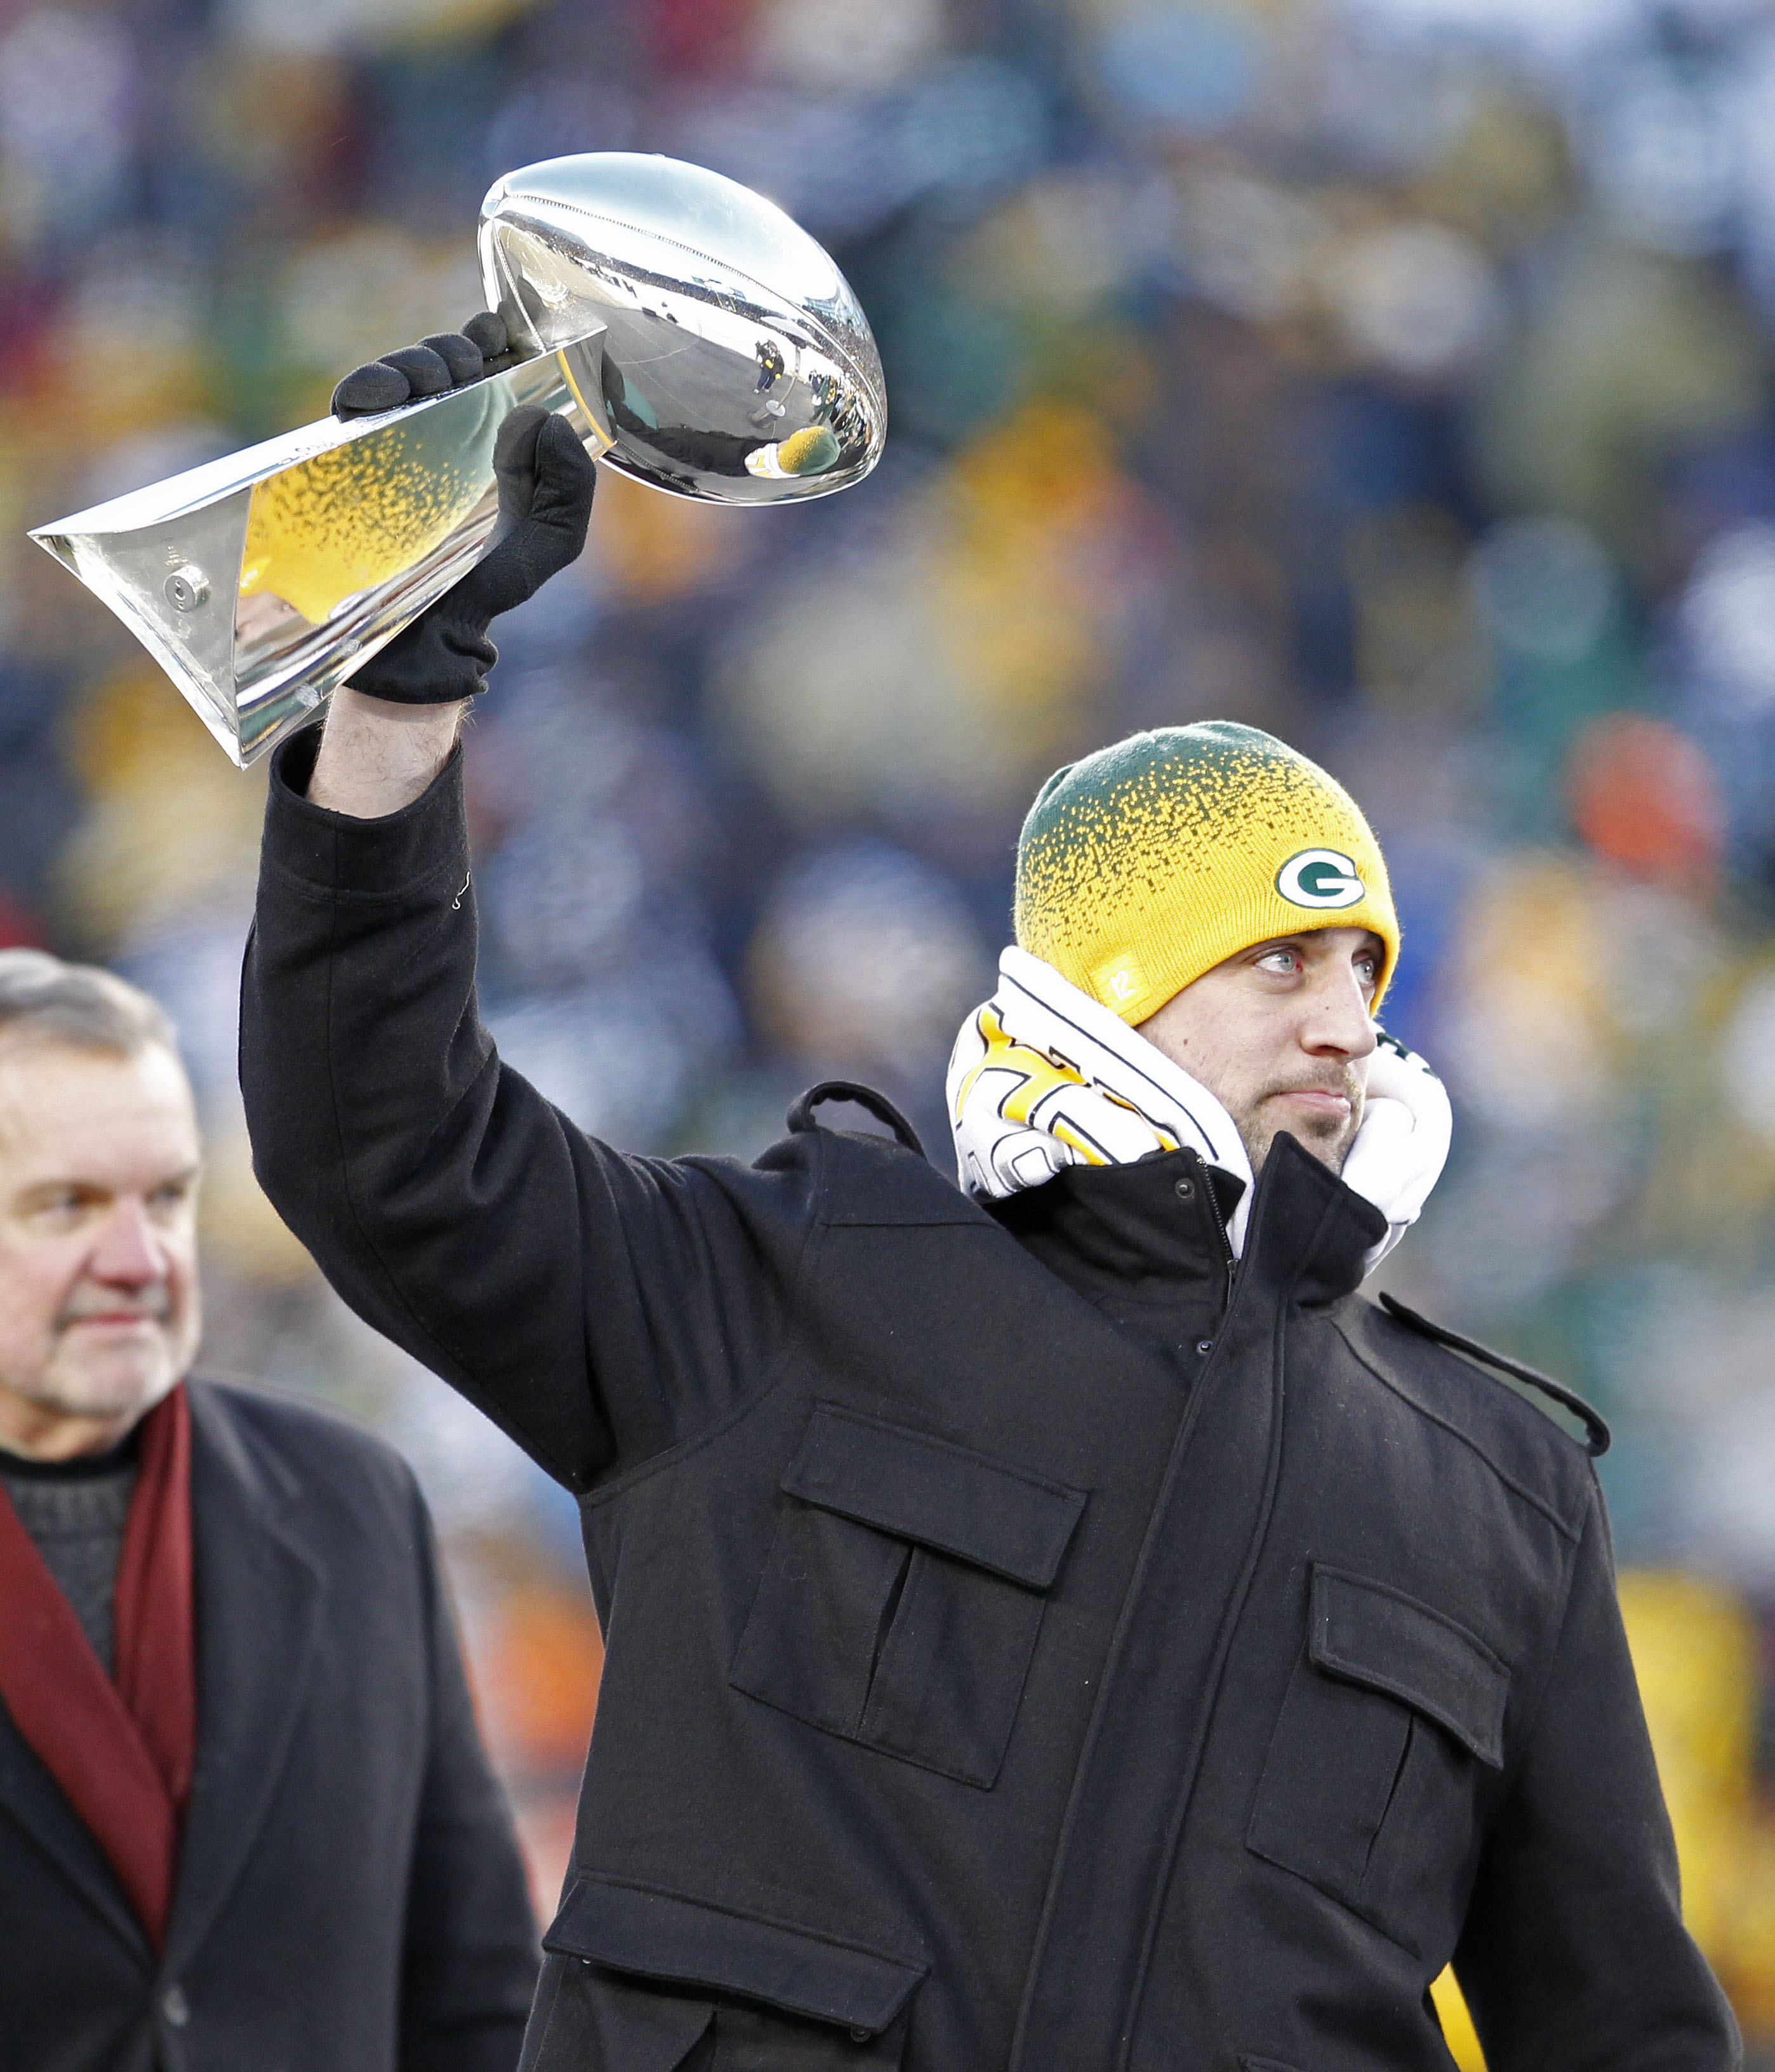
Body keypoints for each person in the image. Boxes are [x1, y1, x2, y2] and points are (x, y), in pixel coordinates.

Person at [241, 342, 1738, 2071]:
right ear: (1105, 994)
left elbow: (1619, 2028)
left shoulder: (1496, 1483)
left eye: (1360, 966)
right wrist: (396, 702)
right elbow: (382, 1148)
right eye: (1271, 962)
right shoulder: (785, 1286)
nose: (1345, 1019)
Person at [0, 951, 539, 2071]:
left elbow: (477, 1989)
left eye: (166, 1198)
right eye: (69, 1207)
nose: (139, 1259)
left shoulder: (355, 1502)